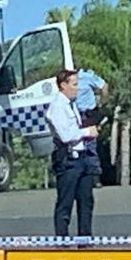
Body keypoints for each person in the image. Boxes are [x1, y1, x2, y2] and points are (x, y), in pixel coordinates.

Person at [45, 69, 99, 237]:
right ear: (63, 85)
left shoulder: (72, 104)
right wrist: (86, 132)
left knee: (86, 201)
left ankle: (86, 239)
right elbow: (66, 135)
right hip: (68, 160)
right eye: (74, 85)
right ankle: (62, 240)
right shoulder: (57, 107)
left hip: (83, 157)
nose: (78, 88)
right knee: (65, 202)